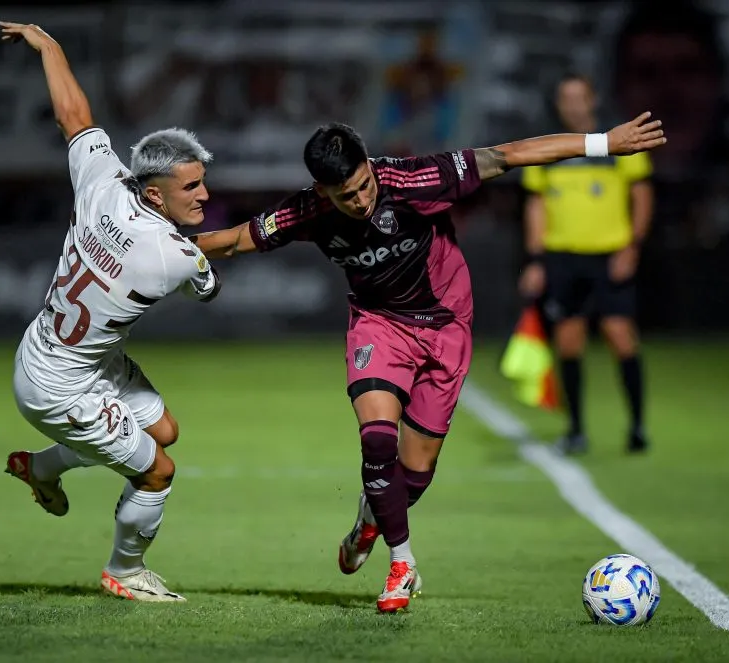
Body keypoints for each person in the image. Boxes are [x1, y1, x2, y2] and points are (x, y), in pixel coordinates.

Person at [193, 115, 665, 612]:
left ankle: (370, 519)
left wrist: (602, 142)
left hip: (445, 327)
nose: (359, 201)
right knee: (377, 439)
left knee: (413, 473)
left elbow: (509, 155)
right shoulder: (308, 211)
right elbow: (237, 238)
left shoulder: (412, 179)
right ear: (322, 190)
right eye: (345, 195)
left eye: (363, 185)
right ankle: (403, 564)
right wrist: (168, 250)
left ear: (370, 167)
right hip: (379, 324)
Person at [0, 22, 220, 602]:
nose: (204, 196)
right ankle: (123, 571)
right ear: (154, 194)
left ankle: (43, 468)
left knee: (165, 430)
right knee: (158, 471)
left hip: (63, 351)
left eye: (204, 183)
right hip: (59, 389)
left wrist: (49, 47)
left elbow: (74, 116)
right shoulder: (171, 256)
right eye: (192, 188)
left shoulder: (102, 180)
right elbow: (207, 280)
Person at [519, 73, 655, 455]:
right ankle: (576, 429)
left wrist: (633, 247)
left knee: (620, 335)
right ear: (558, 104)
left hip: (610, 255)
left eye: (580, 97)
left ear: (593, 100)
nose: (574, 104)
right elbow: (536, 205)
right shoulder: (547, 149)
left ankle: (638, 426)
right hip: (563, 257)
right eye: (566, 98)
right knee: (569, 342)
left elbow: (642, 195)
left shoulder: (620, 142)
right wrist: (536, 259)